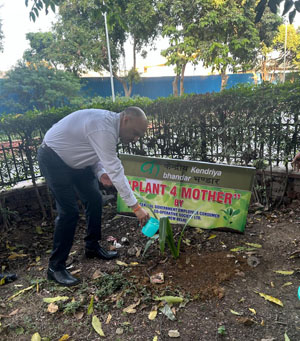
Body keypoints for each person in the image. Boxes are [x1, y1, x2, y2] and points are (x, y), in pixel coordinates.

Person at [38, 106, 150, 286]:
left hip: (77, 164)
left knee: (95, 199)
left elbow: (92, 151)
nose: (136, 139)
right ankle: (55, 267)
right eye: (135, 133)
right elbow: (116, 170)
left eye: (140, 136)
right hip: (54, 159)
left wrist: (100, 173)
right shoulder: (104, 128)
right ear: (126, 120)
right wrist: (136, 208)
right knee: (69, 212)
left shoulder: (109, 127)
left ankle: (92, 246)